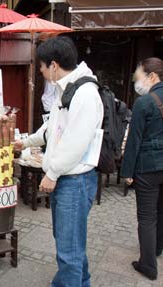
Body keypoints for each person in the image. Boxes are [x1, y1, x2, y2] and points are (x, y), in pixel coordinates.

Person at [15, 37, 104, 287]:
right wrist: (26, 142)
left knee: (68, 247)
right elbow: (51, 129)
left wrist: (51, 173)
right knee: (70, 241)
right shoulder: (67, 89)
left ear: (54, 65)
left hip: (74, 181)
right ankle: (81, 281)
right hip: (69, 179)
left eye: (42, 66)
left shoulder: (84, 93)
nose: (41, 71)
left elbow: (75, 142)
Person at [121, 57, 163, 281]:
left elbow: (134, 141)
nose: (136, 82)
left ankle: (148, 265)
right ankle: (157, 249)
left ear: (152, 76)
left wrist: (127, 173)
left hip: (149, 167)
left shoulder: (144, 102)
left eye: (138, 77)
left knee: (147, 217)